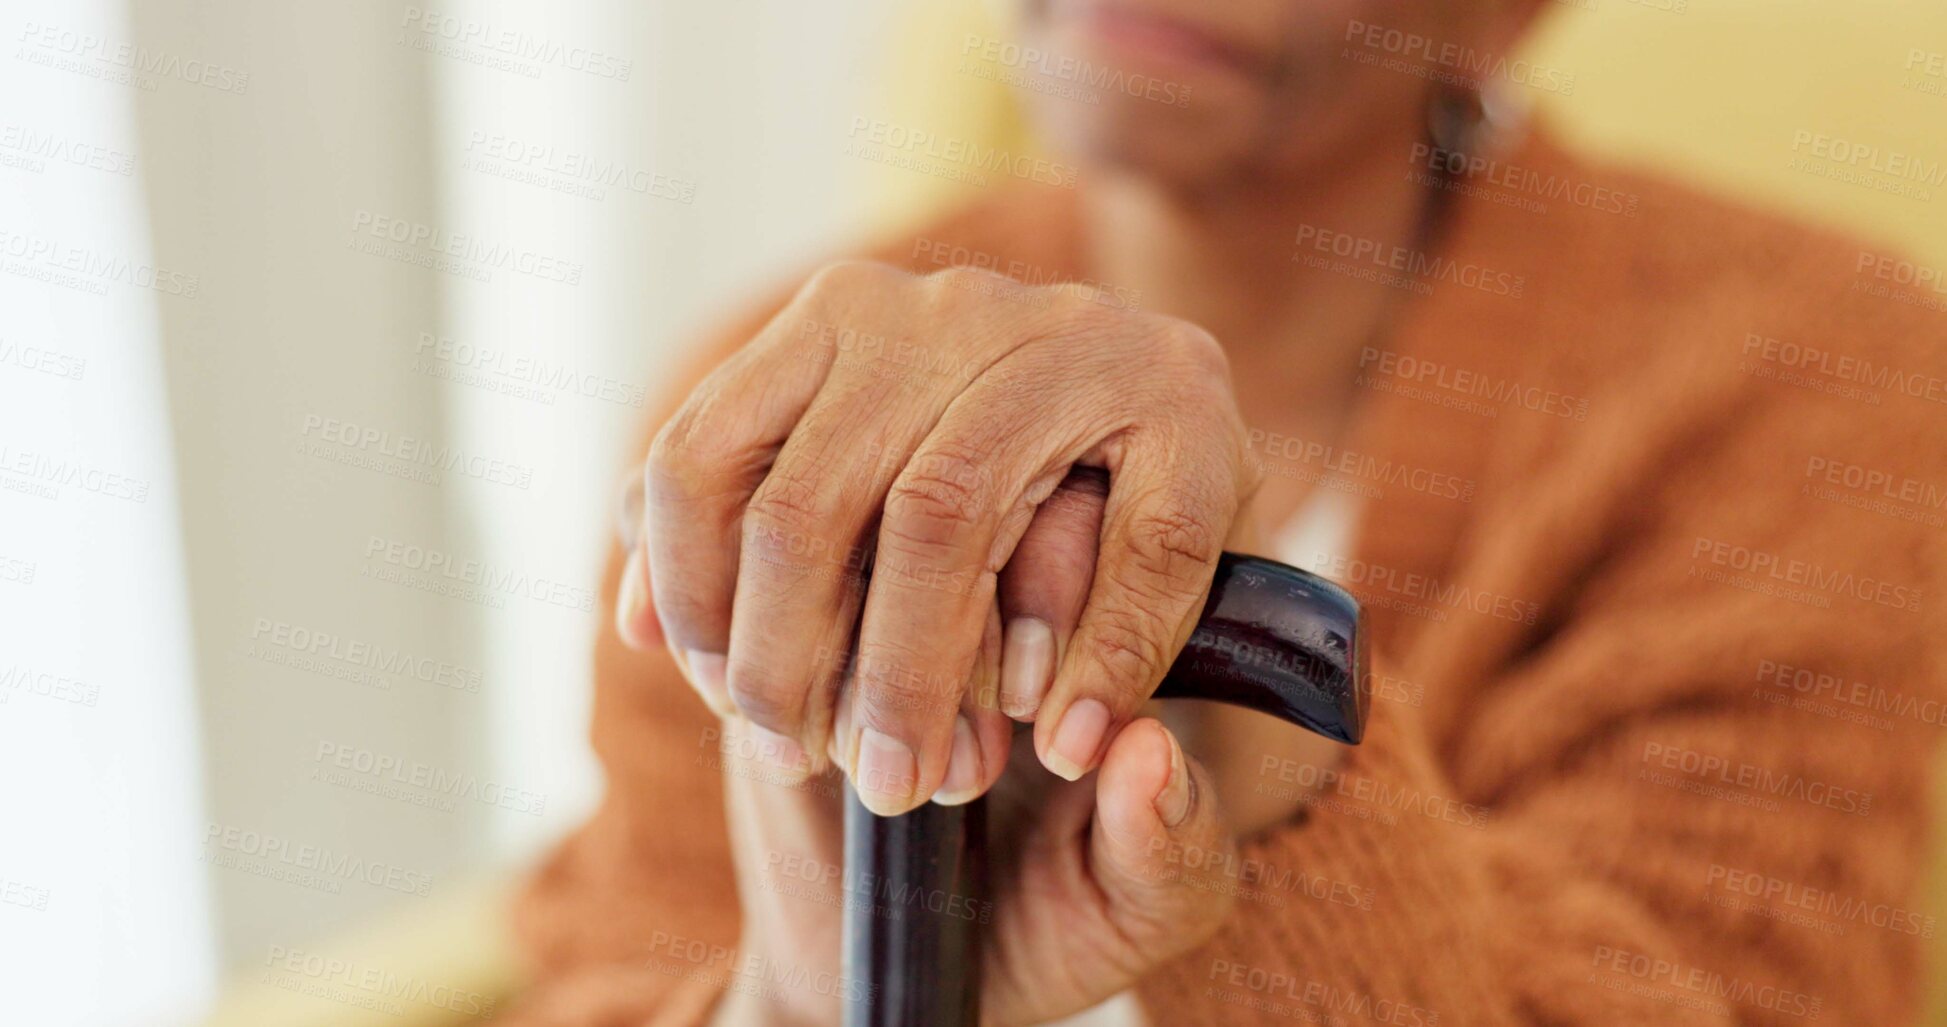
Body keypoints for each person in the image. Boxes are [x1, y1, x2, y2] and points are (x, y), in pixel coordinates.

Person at [506, 1, 1947, 1023]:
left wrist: (1242, 704)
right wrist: (806, 1007)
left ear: (1503, 16)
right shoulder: (792, 395)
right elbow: (609, 977)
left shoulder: (1818, 379)